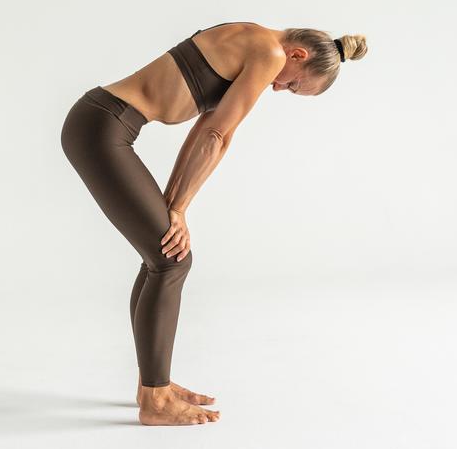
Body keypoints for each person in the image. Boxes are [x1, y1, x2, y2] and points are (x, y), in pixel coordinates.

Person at [60, 21, 368, 426]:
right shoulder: (269, 52)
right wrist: (178, 209)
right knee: (171, 259)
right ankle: (155, 399)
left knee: (161, 256)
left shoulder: (249, 36)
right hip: (103, 127)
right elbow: (218, 136)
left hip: (100, 121)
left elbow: (205, 127)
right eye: (293, 85)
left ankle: (153, 385)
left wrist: (174, 203)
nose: (279, 89)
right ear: (298, 55)